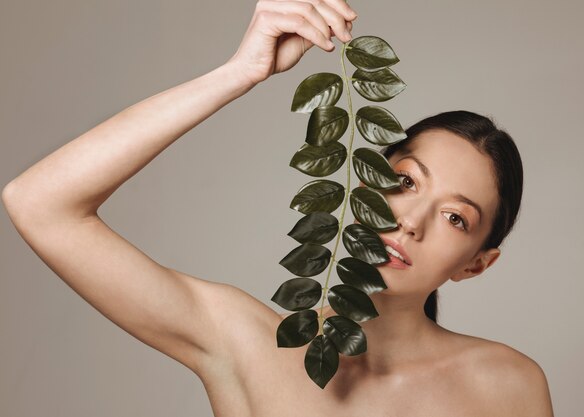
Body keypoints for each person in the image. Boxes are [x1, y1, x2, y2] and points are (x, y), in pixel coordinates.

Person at [1, 0, 554, 415]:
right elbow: (38, 202)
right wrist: (240, 73)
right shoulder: (242, 343)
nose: (410, 221)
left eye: (456, 218)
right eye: (405, 182)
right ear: (365, 179)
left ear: (476, 263)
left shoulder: (507, 386)